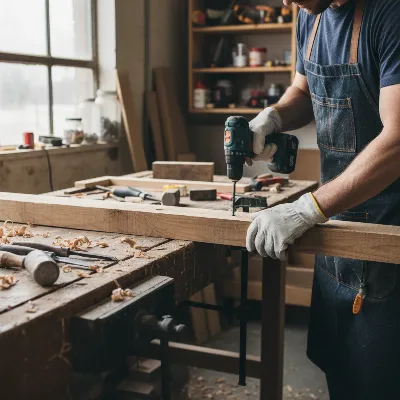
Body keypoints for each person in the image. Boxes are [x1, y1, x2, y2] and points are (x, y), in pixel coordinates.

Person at [245, 0, 400, 398]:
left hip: (387, 235)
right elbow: (303, 88)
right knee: (342, 371)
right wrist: (275, 116)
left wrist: (307, 208)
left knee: (378, 382)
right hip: (336, 226)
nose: (285, 2)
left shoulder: (389, 14)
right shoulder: (308, 16)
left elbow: (397, 140)